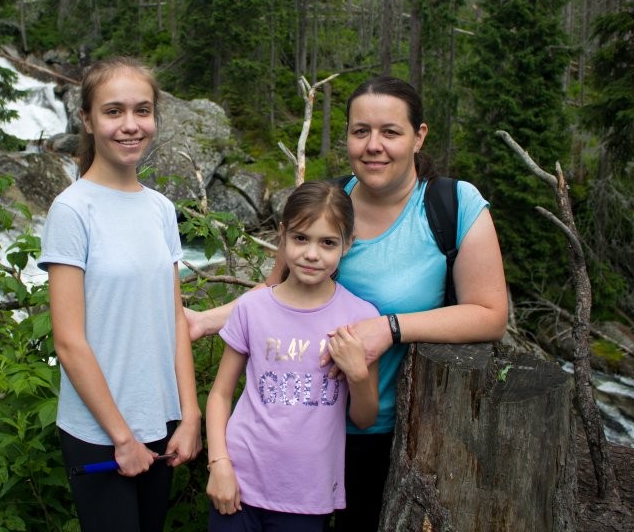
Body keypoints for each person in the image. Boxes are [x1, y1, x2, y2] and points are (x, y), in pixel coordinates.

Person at [189, 76, 508, 531]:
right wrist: (205, 320)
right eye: (361, 131)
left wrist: (390, 328)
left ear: (419, 136)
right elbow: (274, 295)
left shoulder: (451, 205)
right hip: (291, 432)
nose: (373, 145)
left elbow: (490, 315)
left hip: (389, 433)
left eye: (390, 132)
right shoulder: (327, 206)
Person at [38, 57, 202, 532]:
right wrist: (123, 438)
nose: (130, 125)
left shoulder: (161, 209)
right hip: (99, 431)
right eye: (113, 111)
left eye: (142, 110)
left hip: (160, 419)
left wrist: (190, 415)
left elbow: (173, 317)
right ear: (87, 120)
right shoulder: (72, 211)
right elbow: (69, 341)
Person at [206, 180, 380, 532]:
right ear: (282, 235)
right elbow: (220, 394)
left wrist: (358, 375)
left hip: (307, 494)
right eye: (301, 238)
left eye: (328, 242)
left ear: (347, 244)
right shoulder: (252, 308)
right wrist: (219, 463)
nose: (312, 254)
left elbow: (364, 418)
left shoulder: (360, 318)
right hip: (237, 481)